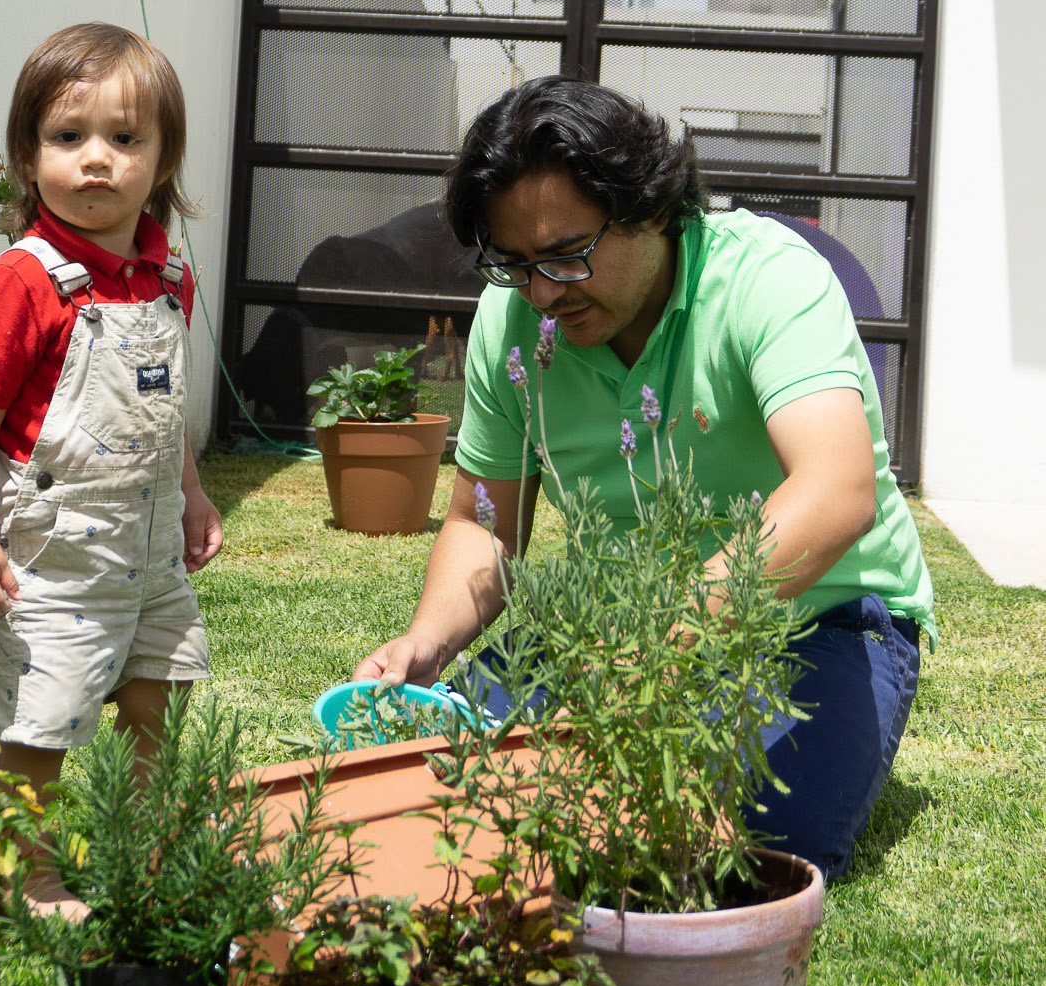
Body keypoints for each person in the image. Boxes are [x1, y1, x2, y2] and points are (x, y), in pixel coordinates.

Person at [355, 76, 934, 880]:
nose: (544, 293)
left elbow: (834, 491)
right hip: (613, 626)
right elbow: (482, 521)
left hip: (818, 617)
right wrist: (429, 638)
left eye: (568, 254)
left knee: (742, 849)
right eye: (515, 264)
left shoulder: (767, 277)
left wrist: (667, 639)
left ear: (651, 208)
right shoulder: (514, 323)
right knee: (435, 787)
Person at [0, 22, 223, 900]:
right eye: (69, 138)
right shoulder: (25, 280)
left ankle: (141, 850)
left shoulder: (165, 277)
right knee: (43, 717)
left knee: (161, 691)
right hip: (57, 553)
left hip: (147, 552)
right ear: (29, 157)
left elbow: (162, 403)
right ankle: (27, 873)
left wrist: (191, 493)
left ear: (163, 159)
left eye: (124, 139)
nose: (95, 160)